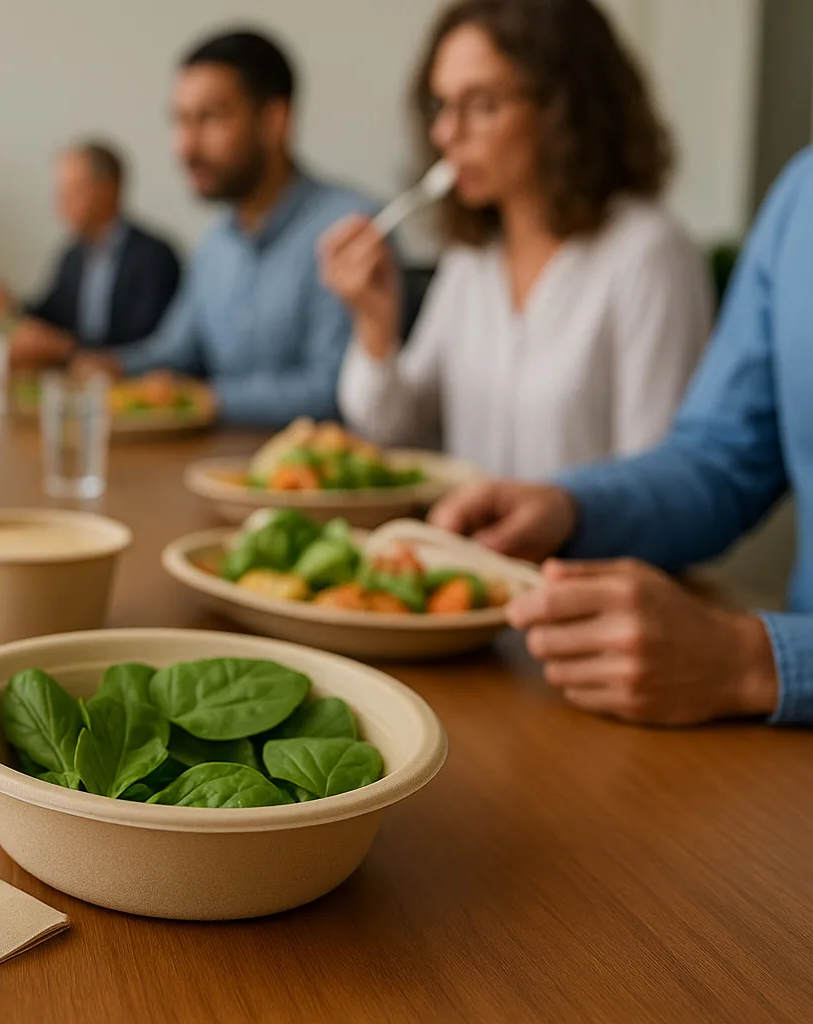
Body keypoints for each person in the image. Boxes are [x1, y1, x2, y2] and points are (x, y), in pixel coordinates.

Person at [428, 147, 813, 728]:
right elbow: (721, 455)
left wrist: (762, 663)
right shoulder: (801, 194)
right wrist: (572, 508)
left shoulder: (648, 250)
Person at [319, 0, 710, 479]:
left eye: (481, 105)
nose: (446, 132)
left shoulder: (648, 255)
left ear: (566, 108)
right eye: (441, 105)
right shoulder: (472, 261)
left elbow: (658, 486)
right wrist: (375, 324)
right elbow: (393, 433)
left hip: (579, 556)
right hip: (469, 551)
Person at [72, 29, 375, 427]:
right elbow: (175, 351)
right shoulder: (215, 244)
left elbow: (337, 390)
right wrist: (107, 365)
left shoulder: (349, 230)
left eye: (209, 118)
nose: (185, 147)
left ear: (274, 121)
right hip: (211, 469)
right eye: (180, 121)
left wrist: (207, 400)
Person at [0, 141, 180, 367]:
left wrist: (67, 349)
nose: (60, 202)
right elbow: (51, 315)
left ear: (111, 188)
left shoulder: (155, 258)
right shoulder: (72, 255)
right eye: (60, 190)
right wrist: (10, 305)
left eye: (73, 190)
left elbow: (143, 347)